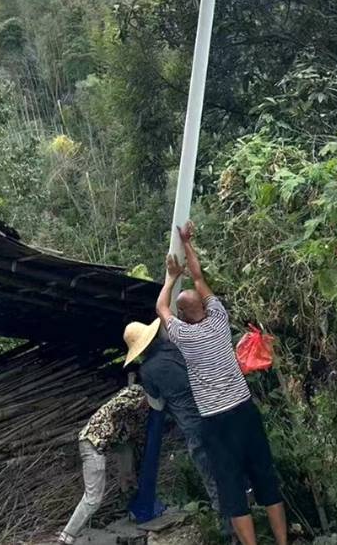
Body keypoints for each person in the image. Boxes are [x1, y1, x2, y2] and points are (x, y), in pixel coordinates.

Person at [156, 221, 287, 545]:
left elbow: (160, 307)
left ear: (184, 316)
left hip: (216, 422)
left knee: (232, 491)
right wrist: (187, 243)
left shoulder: (184, 336)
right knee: (266, 480)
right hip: (244, 412)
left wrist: (171, 277)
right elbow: (200, 278)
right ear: (204, 306)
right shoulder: (218, 318)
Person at [123, 318, 224, 529]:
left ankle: (228, 529)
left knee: (212, 478)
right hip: (216, 411)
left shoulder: (147, 370)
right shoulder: (174, 348)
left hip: (194, 426)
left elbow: (157, 404)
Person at [59, 382, 148, 545]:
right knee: (93, 500)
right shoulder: (134, 393)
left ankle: (128, 496)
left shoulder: (136, 416)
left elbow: (130, 438)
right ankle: (66, 537)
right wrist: (140, 401)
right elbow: (118, 404)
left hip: (105, 444)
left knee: (127, 465)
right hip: (93, 444)